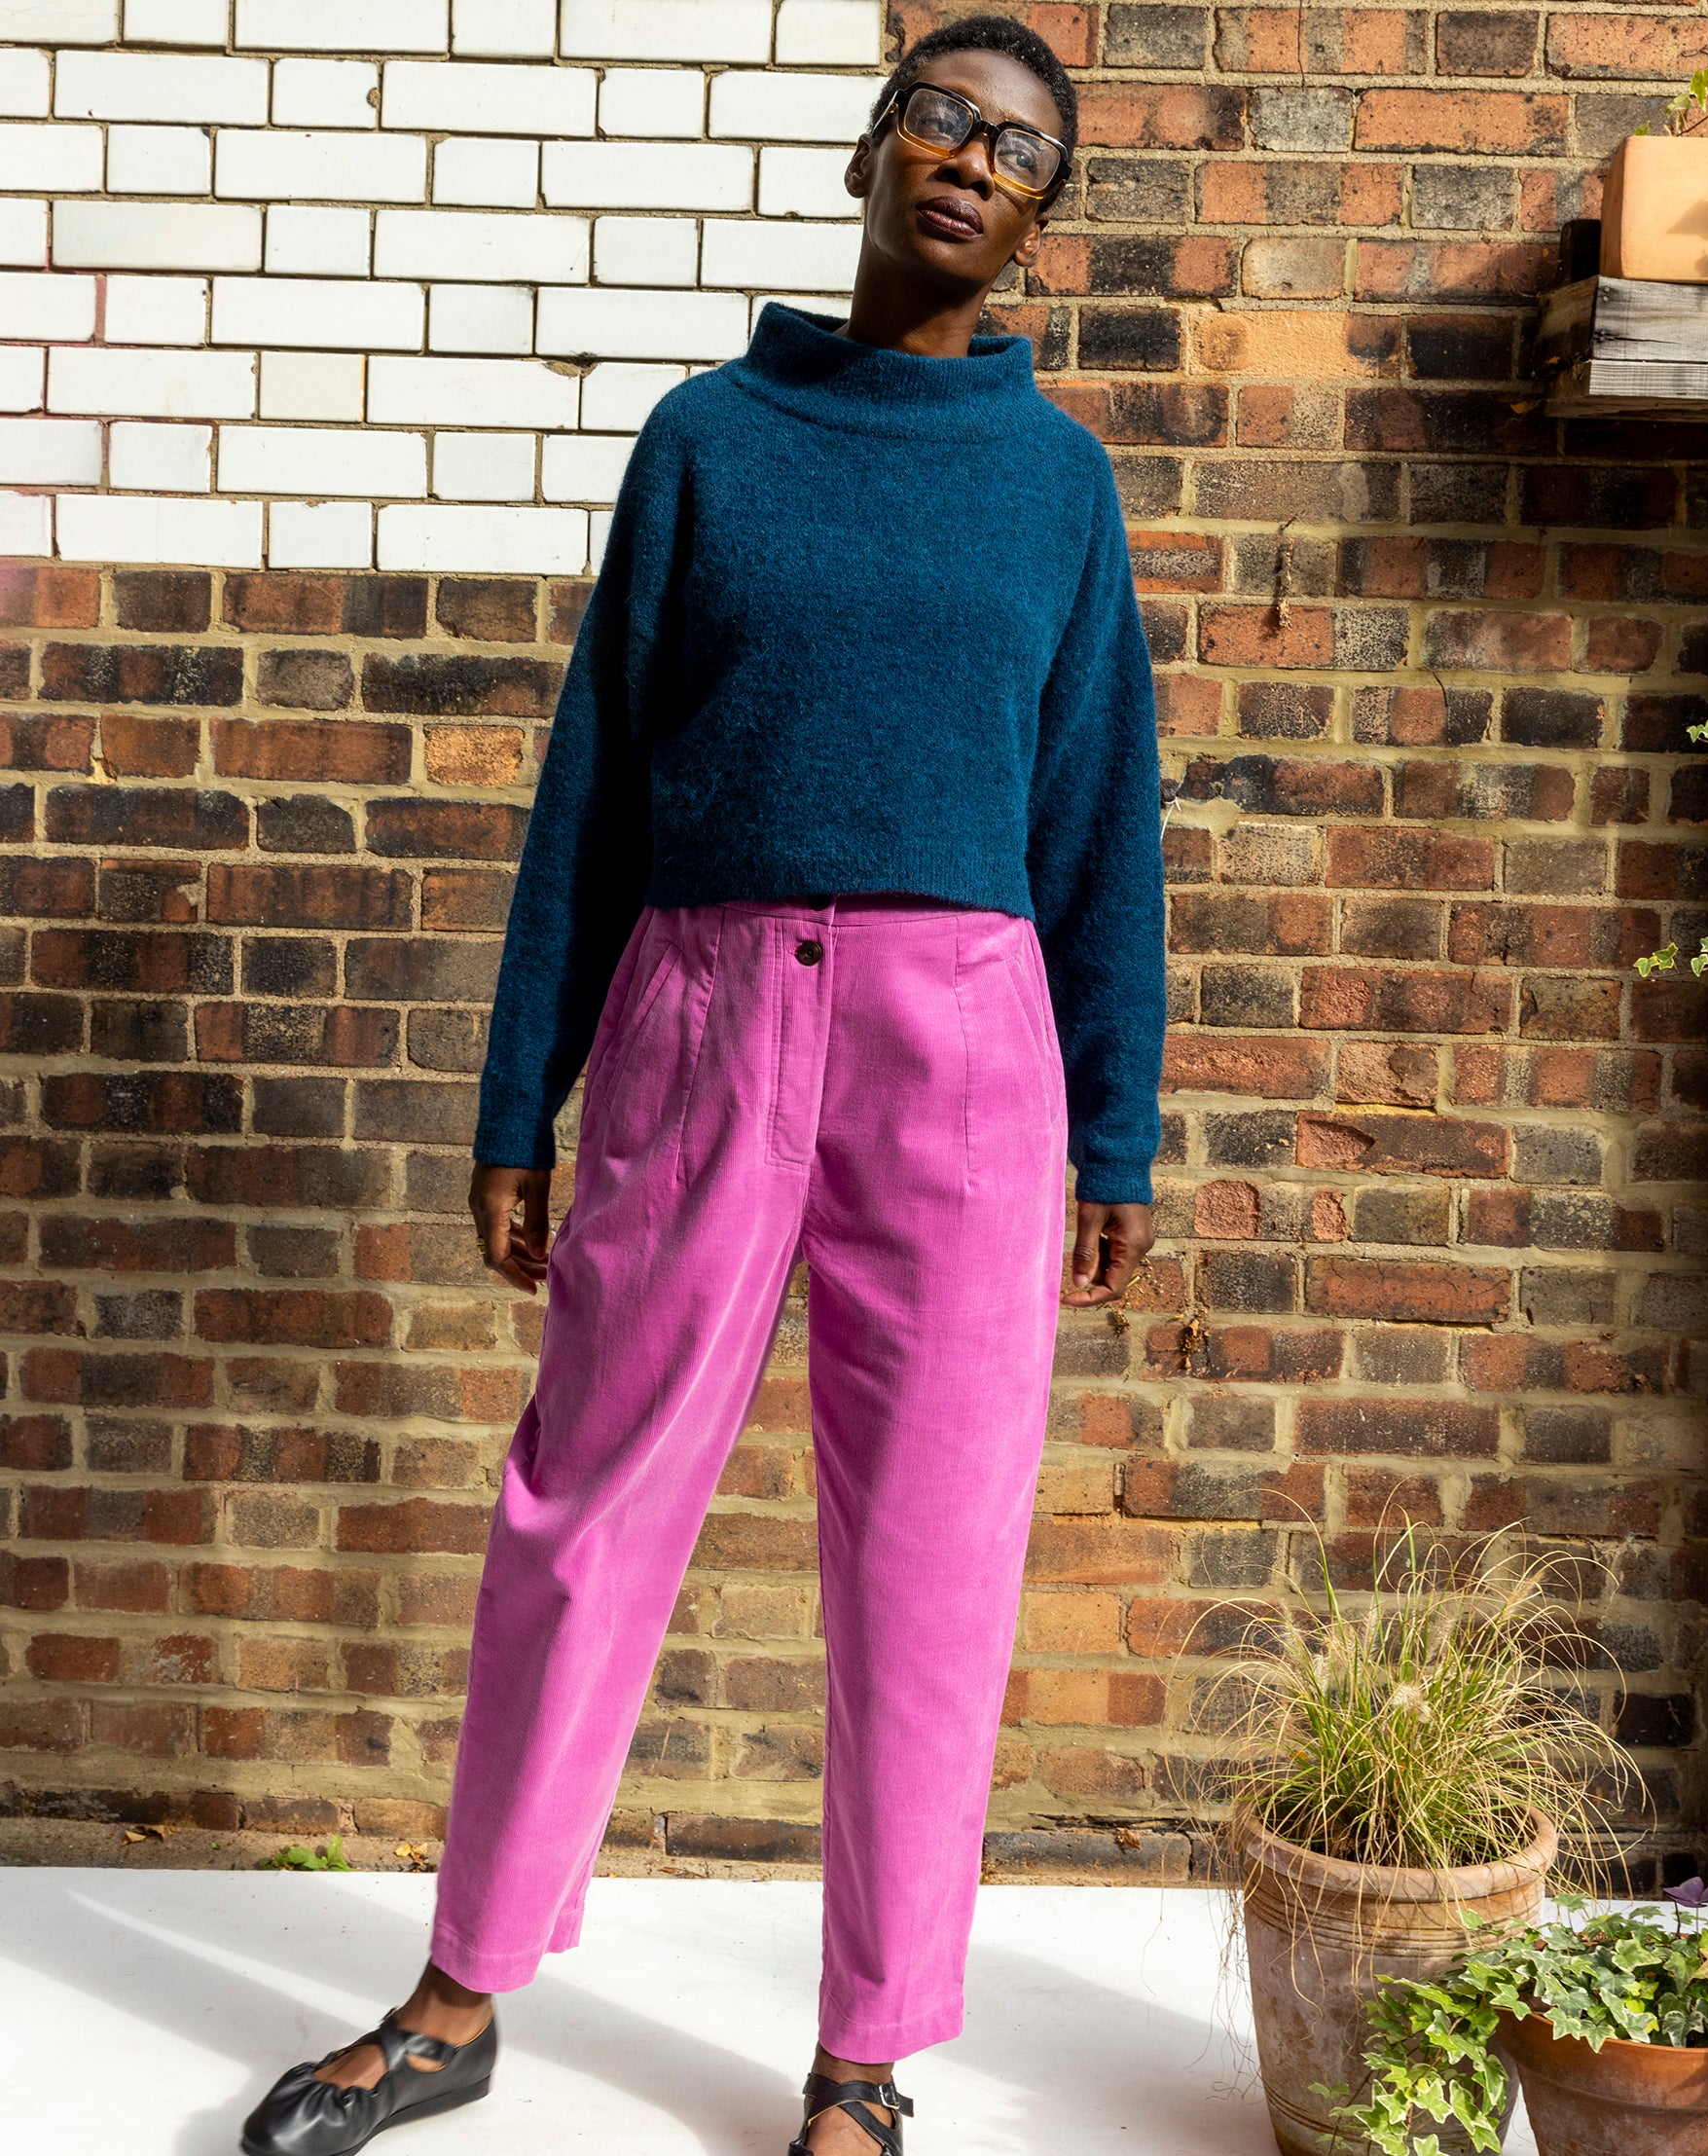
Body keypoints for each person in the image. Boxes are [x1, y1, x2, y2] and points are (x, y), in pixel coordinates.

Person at [239, 16, 1165, 2156]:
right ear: (869, 146)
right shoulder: (707, 440)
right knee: (582, 1500)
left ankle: (865, 2060)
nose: (965, 159)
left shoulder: (1057, 485)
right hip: (703, 1015)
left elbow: (1104, 812)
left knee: (931, 1555)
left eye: (1015, 149)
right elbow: (594, 788)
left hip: (964, 1049)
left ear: (1040, 218)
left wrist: (1112, 1122)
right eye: (937, 115)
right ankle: (462, 1989)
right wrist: (518, 1095)